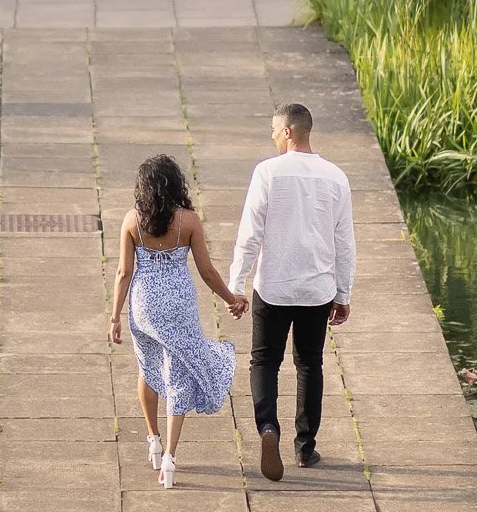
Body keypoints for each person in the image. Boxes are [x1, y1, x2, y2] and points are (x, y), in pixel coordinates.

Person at [228, 101, 355, 483]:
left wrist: (236, 286)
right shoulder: (336, 177)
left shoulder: (267, 173)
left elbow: (250, 235)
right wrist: (343, 291)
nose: (271, 136)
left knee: (264, 361)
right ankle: (305, 448)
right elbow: (344, 241)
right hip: (317, 288)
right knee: (309, 364)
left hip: (274, 286)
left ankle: (268, 429)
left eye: (273, 130)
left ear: (288, 132)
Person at [108, 153, 247, 489]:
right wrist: (232, 299)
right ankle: (169, 458)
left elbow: (124, 272)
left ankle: (152, 438)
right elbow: (208, 271)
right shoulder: (189, 222)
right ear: (175, 184)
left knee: (148, 369)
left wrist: (114, 317)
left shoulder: (132, 221)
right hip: (179, 306)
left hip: (143, 306)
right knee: (178, 373)